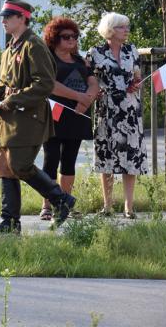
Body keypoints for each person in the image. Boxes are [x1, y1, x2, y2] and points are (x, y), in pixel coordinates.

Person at [0, 0, 76, 235]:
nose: (3, 21)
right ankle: (10, 222)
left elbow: (45, 84)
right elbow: (3, 85)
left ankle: (60, 200)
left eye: (8, 16)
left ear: (22, 18)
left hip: (28, 117)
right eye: (3, 17)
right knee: (5, 167)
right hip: (7, 118)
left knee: (20, 165)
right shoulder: (10, 48)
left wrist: (13, 100)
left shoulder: (34, 45)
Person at [86, 12, 147, 219]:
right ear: (110, 30)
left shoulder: (132, 50)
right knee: (107, 157)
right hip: (107, 109)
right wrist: (95, 91)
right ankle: (108, 206)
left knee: (131, 157)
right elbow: (88, 79)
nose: (126, 30)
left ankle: (129, 207)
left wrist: (136, 83)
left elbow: (137, 75)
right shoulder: (95, 52)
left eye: (127, 26)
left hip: (130, 110)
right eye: (122, 27)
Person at [39, 17, 99, 220]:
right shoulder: (48, 59)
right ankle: (47, 205)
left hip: (78, 116)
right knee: (50, 160)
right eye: (66, 37)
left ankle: (65, 203)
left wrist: (86, 101)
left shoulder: (81, 61)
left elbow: (93, 83)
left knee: (69, 161)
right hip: (54, 115)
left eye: (74, 36)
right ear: (54, 38)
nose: (71, 40)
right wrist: (78, 97)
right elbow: (51, 85)